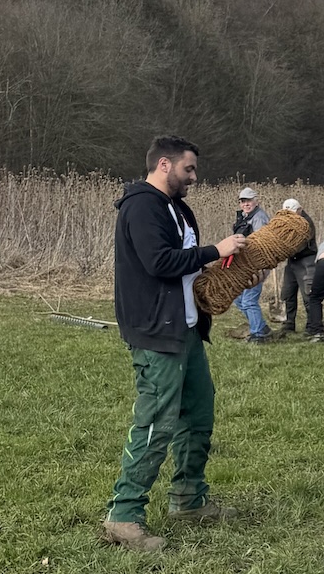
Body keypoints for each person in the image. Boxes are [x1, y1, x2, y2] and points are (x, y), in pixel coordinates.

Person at [103, 135, 246, 552]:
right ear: (164, 164)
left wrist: (220, 267)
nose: (194, 177)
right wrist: (212, 249)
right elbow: (158, 262)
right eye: (189, 169)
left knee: (198, 413)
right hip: (155, 331)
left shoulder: (177, 208)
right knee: (156, 422)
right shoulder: (142, 205)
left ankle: (188, 499)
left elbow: (184, 268)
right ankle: (123, 514)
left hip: (184, 329)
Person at [231, 186, 272, 343]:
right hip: (244, 265)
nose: (245, 204)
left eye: (248, 200)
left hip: (256, 265)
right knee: (237, 298)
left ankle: (258, 335)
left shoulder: (259, 218)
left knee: (249, 300)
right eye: (243, 201)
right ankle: (261, 326)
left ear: (256, 201)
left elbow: (262, 243)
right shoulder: (243, 217)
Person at [277, 196, 318, 334]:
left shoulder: (307, 223)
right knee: (288, 292)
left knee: (308, 294)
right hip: (292, 261)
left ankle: (312, 325)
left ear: (299, 210)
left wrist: (283, 250)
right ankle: (289, 323)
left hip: (306, 260)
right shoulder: (287, 220)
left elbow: (300, 244)